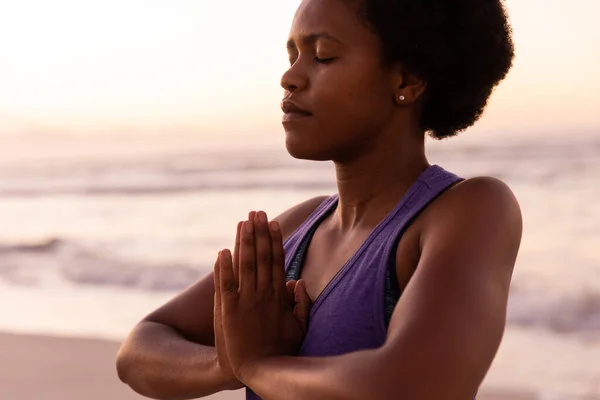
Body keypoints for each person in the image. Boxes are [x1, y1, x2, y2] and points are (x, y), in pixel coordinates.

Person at [116, 0, 522, 398]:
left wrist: (258, 367)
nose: (289, 78)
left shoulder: (469, 209)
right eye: (292, 54)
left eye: (323, 56)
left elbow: (413, 385)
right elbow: (138, 350)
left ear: (406, 81)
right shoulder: (300, 226)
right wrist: (226, 366)